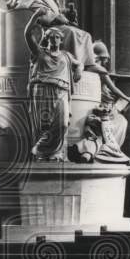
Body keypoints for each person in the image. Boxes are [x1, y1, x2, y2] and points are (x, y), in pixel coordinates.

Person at [24, 12, 82, 161]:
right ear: (47, 39)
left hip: (62, 91)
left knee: (62, 124)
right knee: (44, 124)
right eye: (51, 36)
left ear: (61, 40)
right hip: (43, 90)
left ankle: (39, 150)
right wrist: (35, 16)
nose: (54, 39)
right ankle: (44, 156)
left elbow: (78, 63)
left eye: (57, 37)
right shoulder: (40, 52)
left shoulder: (66, 55)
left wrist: (79, 70)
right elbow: (27, 34)